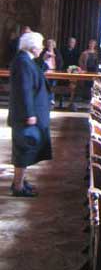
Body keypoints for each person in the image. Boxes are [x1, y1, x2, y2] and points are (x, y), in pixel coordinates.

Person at [8, 31, 52, 197]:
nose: (42, 48)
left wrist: (45, 61)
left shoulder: (25, 60)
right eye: (40, 45)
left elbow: (37, 72)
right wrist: (29, 114)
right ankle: (18, 186)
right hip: (25, 117)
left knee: (26, 150)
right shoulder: (22, 62)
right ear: (33, 47)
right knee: (23, 151)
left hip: (27, 115)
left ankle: (19, 181)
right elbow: (24, 90)